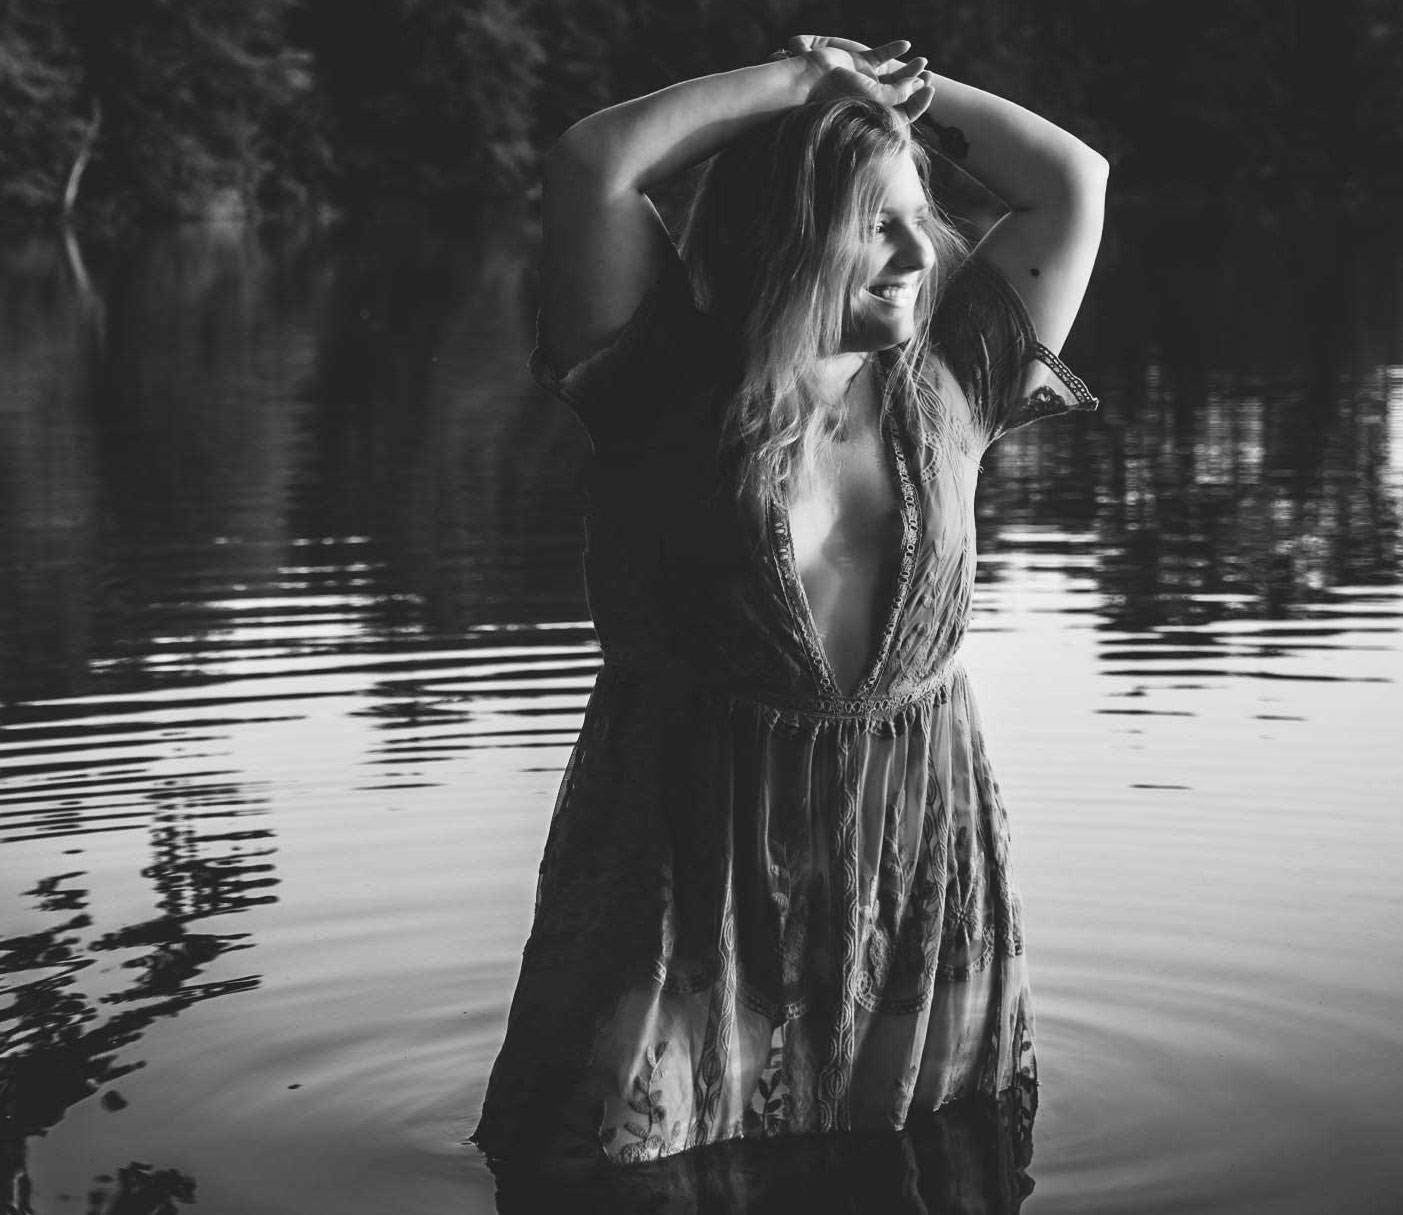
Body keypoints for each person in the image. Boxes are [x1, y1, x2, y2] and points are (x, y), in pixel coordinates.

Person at [474, 34, 1106, 1177]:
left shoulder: (956, 378)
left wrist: (907, 94)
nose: (926, 248)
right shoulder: (657, 380)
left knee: (929, 1164)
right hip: (683, 865)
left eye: (924, 214)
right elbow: (592, 167)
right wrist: (801, 86)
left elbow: (1073, 182)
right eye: (877, 221)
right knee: (600, 1164)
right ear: (785, 233)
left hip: (914, 859)